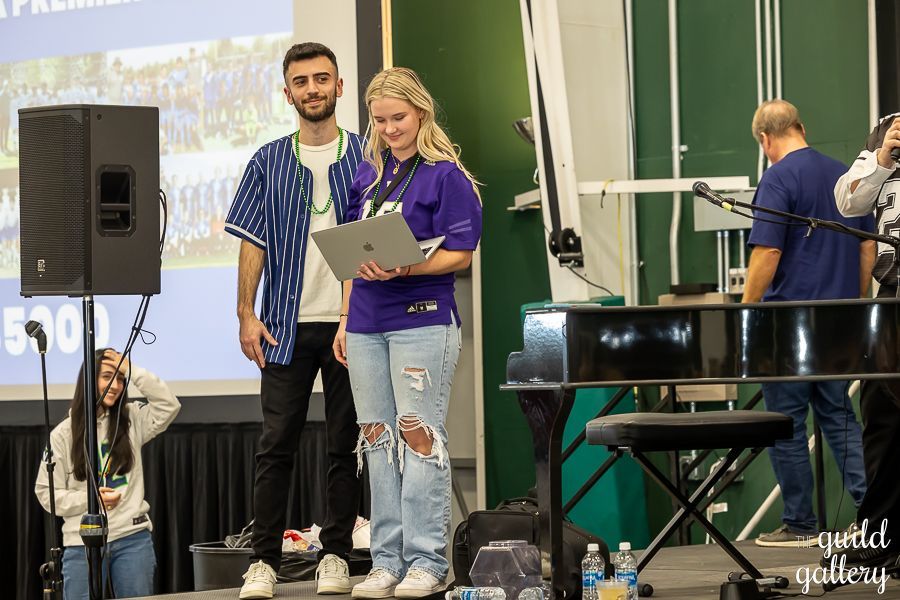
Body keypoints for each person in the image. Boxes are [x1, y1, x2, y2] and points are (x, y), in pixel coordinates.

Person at [333, 67, 482, 599]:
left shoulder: (446, 176)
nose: (390, 128)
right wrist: (345, 319)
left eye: (398, 117)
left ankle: (426, 560)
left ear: (421, 112)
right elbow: (350, 254)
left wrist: (407, 268)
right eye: (380, 120)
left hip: (422, 319)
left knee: (418, 435)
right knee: (376, 438)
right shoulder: (366, 175)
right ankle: (386, 561)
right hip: (366, 323)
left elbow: (461, 254)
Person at [225, 42, 365, 600]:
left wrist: (356, 314)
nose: (312, 89)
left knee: (344, 445)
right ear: (288, 93)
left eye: (321, 79)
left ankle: (336, 556)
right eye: (301, 81)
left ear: (339, 86)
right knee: (275, 445)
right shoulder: (267, 160)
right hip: (283, 324)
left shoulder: (368, 156)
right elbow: (251, 242)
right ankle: (262, 562)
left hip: (353, 325)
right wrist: (245, 312)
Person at [742, 99, 873, 548]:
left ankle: (800, 524)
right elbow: (867, 247)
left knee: (787, 423)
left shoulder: (777, 178)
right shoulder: (845, 175)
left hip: (787, 326)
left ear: (765, 139)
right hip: (837, 323)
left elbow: (768, 251)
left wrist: (746, 310)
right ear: (801, 126)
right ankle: (874, 517)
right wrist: (854, 303)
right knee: (840, 419)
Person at [34, 349, 180, 600]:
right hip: (81, 542)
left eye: (120, 378)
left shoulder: (132, 419)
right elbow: (46, 492)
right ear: (89, 381)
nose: (115, 385)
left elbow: (169, 405)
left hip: (132, 539)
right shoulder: (63, 435)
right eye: (107, 377)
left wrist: (132, 370)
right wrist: (90, 500)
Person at [831, 112, 900, 566]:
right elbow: (846, 202)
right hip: (892, 297)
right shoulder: (886, 131)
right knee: (882, 417)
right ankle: (879, 539)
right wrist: (882, 159)